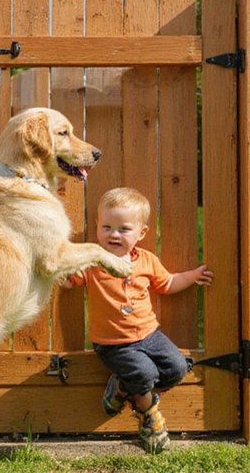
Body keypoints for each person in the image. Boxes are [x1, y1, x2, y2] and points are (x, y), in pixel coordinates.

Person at [65, 187, 213, 452]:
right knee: (145, 374)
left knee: (177, 368)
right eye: (107, 227)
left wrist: (191, 276)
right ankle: (150, 418)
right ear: (97, 226)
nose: (114, 234)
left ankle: (123, 386)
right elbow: (67, 280)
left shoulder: (146, 260)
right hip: (113, 343)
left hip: (149, 335)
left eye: (124, 229)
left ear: (141, 233)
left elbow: (167, 284)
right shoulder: (93, 262)